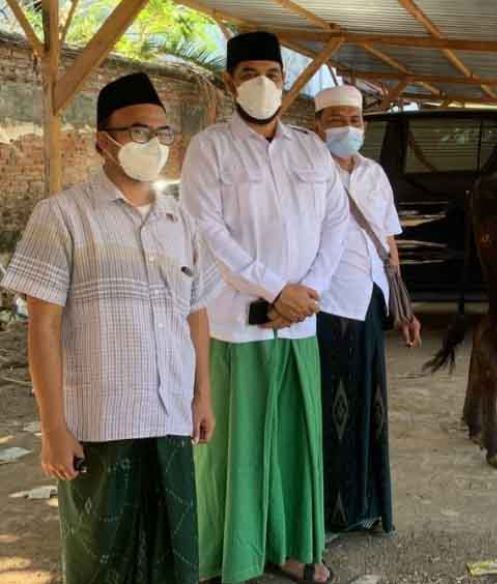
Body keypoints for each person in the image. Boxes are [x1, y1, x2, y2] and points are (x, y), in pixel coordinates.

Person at [1, 72, 215, 584]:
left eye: (162, 133)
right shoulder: (63, 217)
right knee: (102, 559)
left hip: (168, 416)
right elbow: (43, 328)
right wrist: (54, 428)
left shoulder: (180, 222)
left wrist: (203, 394)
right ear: (104, 140)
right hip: (101, 424)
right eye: (138, 131)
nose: (153, 143)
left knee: (174, 553)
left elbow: (197, 313)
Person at [180, 31, 348, 584]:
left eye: (272, 75)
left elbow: (334, 223)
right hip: (235, 324)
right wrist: (275, 289)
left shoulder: (310, 148)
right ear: (230, 82)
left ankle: (292, 546)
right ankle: (230, 553)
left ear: (285, 81)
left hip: (299, 325)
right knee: (237, 447)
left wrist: (308, 293)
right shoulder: (210, 148)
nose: (262, 85)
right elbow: (209, 231)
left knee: (294, 444)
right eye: (249, 74)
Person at [312, 86, 421, 537]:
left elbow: (388, 243)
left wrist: (404, 308)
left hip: (369, 301)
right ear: (318, 125)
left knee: (368, 404)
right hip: (323, 304)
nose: (347, 127)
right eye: (336, 118)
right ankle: (328, 511)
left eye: (355, 120)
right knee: (328, 408)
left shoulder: (374, 174)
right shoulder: (308, 173)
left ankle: (367, 505)